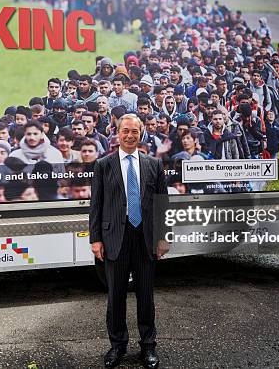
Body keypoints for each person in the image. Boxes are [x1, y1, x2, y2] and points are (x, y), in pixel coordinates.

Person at [89, 114, 168, 369]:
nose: (130, 135)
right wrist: (96, 239)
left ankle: (148, 347)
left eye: (135, 131)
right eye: (125, 131)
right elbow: (96, 205)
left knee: (146, 296)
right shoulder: (103, 165)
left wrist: (163, 237)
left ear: (141, 134)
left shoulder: (154, 165)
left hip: (144, 239)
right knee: (116, 297)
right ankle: (117, 346)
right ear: (118, 133)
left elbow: (161, 205)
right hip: (114, 239)